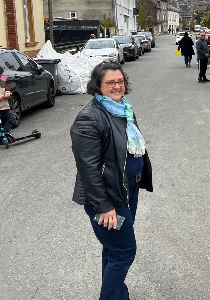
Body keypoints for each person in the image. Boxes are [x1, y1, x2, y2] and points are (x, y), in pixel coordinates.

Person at [71, 62, 153, 300]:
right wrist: (104, 206)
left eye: (120, 81)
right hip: (108, 198)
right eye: (110, 82)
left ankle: (118, 295)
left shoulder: (122, 109)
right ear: (98, 86)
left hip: (128, 190)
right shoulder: (89, 119)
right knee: (124, 252)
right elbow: (88, 170)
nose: (117, 86)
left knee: (114, 248)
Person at [0, 67, 17, 138]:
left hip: (5, 107)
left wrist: (8, 93)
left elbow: (8, 89)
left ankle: (5, 133)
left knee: (12, 118)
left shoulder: (3, 80)